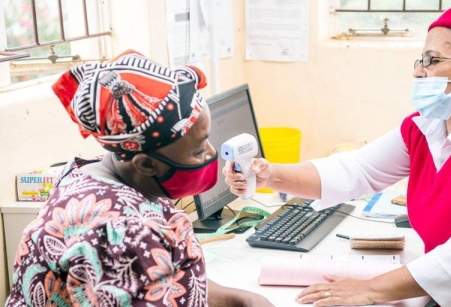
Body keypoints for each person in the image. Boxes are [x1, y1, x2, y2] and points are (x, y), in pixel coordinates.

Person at [223, 4, 451, 307]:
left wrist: (367, 289)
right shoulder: (426, 127)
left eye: (431, 59)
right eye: (420, 58)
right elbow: (357, 170)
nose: (418, 70)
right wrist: (270, 175)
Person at [6, 50, 274, 307]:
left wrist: (239, 300)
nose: (211, 153)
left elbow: (162, 279)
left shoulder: (98, 175)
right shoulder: (118, 234)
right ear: (146, 164)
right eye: (198, 148)